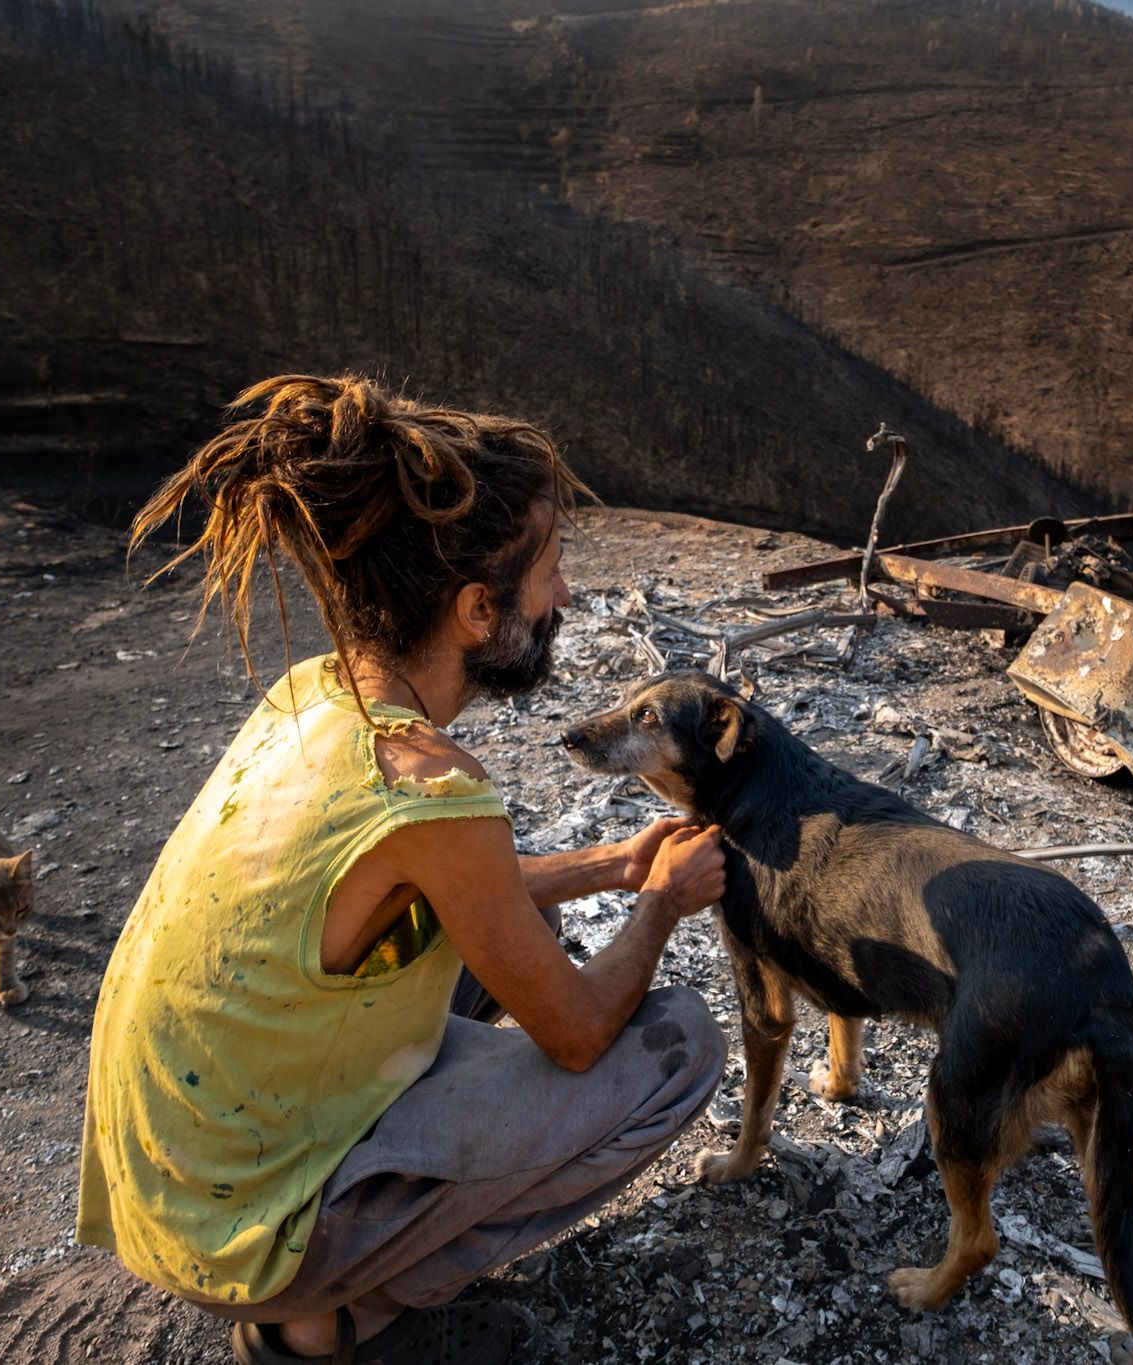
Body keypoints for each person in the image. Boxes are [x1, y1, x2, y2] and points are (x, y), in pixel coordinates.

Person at [75, 374, 729, 1365]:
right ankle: (350, 1316)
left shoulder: (316, 695)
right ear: (476, 609)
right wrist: (661, 905)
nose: (561, 597)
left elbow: (435, 887)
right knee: (679, 1045)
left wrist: (612, 865)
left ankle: (333, 1267)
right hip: (241, 1238)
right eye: (550, 572)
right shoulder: (426, 787)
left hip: (174, 1180)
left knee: (531, 930)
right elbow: (580, 1033)